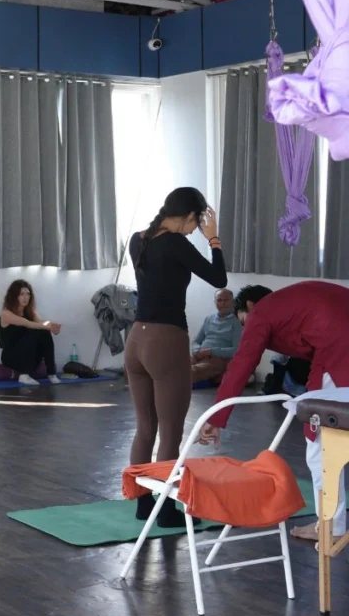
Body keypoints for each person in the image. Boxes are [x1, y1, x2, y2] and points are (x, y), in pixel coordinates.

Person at [198, 282, 349, 542]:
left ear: (249, 306)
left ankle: (331, 527)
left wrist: (216, 417)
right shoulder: (293, 303)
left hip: (339, 351)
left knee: (322, 445)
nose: (247, 329)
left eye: (243, 322)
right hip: (334, 348)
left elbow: (243, 362)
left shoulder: (262, 312)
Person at [126, 187, 227, 526]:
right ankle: (166, 509)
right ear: (188, 216)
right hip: (165, 340)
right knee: (170, 429)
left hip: (136, 341)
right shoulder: (176, 243)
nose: (196, 228)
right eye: (197, 221)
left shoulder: (138, 239)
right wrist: (213, 241)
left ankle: (142, 503)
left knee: (145, 428)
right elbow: (219, 278)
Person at [0, 280, 62, 385]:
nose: (26, 297)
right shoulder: (6, 313)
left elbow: (41, 323)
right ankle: (24, 375)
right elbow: (27, 323)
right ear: (14, 296)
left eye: (28, 294)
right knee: (33, 332)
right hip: (11, 357)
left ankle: (51, 373)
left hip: (29, 356)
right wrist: (46, 326)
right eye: (21, 294)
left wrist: (52, 326)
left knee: (44, 333)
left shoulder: (31, 311)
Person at [190, 288, 243, 385]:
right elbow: (196, 341)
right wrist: (197, 350)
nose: (223, 303)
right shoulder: (209, 318)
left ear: (233, 302)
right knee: (175, 367)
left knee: (192, 372)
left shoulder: (237, 322)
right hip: (200, 354)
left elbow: (237, 351)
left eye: (226, 300)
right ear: (215, 302)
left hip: (219, 358)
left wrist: (212, 351)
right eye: (219, 300)